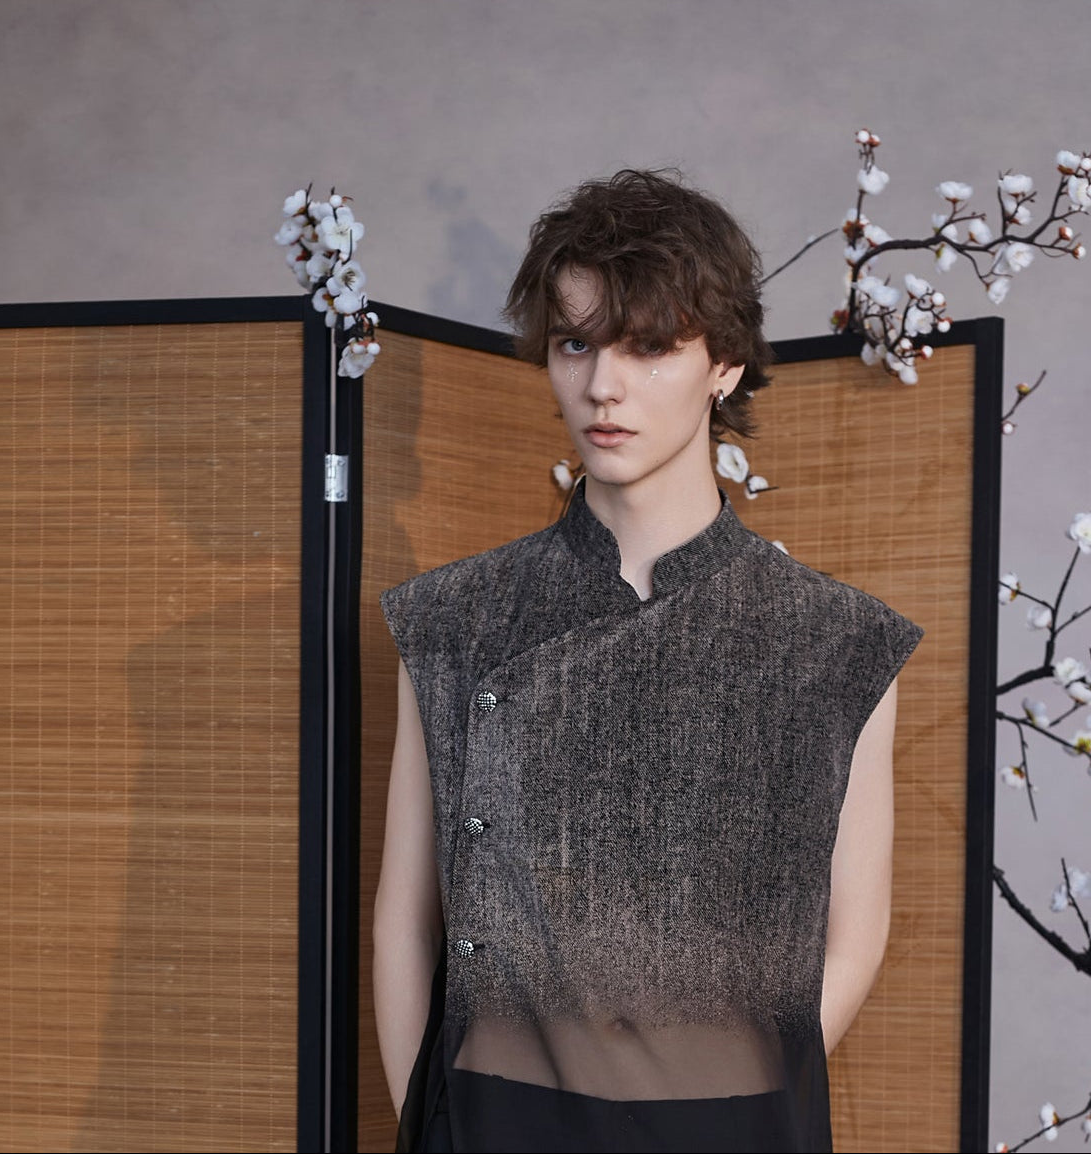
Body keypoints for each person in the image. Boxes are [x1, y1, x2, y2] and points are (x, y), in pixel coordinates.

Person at [372, 168, 925, 1153]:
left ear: (724, 364)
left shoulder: (834, 640)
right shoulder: (456, 618)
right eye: (575, 342)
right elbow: (404, 919)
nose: (602, 385)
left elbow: (852, 935)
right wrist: (436, 1125)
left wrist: (728, 1105)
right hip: (494, 1122)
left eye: (650, 346)